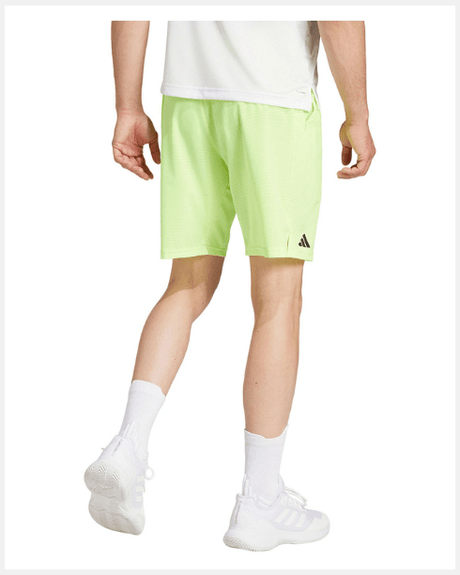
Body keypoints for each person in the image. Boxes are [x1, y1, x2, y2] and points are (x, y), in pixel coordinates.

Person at [84, 20, 376, 552]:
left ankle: (127, 445)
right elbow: (336, 15)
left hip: (188, 98)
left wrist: (128, 106)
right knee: (278, 300)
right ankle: (260, 500)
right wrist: (358, 113)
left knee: (187, 283)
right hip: (274, 99)